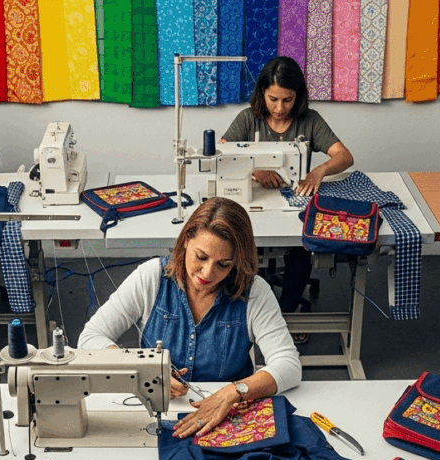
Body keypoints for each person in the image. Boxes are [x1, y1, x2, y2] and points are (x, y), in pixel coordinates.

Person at [78, 197, 301, 440]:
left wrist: (233, 392)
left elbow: (288, 365)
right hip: (158, 406)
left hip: (228, 415)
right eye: (201, 257)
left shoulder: (254, 292)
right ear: (186, 240)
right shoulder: (151, 278)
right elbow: (91, 337)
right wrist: (143, 370)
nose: (208, 273)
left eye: (223, 264)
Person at [222, 56, 354, 340]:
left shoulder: (310, 120)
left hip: (294, 202)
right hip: (255, 204)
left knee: (301, 248)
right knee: (242, 244)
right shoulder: (248, 119)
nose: (280, 108)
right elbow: (223, 154)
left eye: (288, 100)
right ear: (262, 93)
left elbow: (344, 156)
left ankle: (288, 313)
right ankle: (250, 314)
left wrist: (318, 172)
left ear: (298, 96)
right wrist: (255, 170)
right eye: (273, 99)